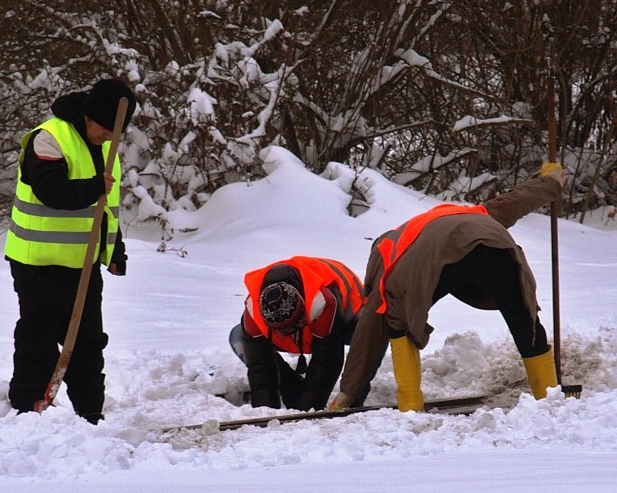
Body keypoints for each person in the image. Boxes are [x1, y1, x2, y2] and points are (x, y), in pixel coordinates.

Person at [330, 163, 567, 412]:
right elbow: (513, 202)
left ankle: (410, 405)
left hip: (433, 258)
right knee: (522, 316)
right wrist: (550, 182)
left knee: (398, 320)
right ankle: (548, 397)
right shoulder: (465, 214)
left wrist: (348, 392)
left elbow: (371, 326)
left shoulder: (388, 251)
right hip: (495, 246)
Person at [4, 78, 137, 423]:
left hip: (83, 263)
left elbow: (105, 209)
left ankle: (90, 415)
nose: (110, 137)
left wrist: (114, 250)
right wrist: (93, 187)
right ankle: (27, 409)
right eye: (106, 129)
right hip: (39, 263)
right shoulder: (49, 138)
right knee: (39, 337)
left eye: (115, 132)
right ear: (89, 115)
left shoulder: (106, 145)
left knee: (88, 342)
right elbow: (51, 191)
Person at [230, 256, 373, 411]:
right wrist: (265, 414)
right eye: (281, 330)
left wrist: (307, 410)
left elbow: (327, 362)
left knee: (372, 330)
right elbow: (259, 367)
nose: (287, 334)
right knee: (238, 336)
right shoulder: (253, 311)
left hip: (346, 320)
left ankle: (354, 396)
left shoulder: (323, 301)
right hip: (308, 326)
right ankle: (292, 385)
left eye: (292, 327)